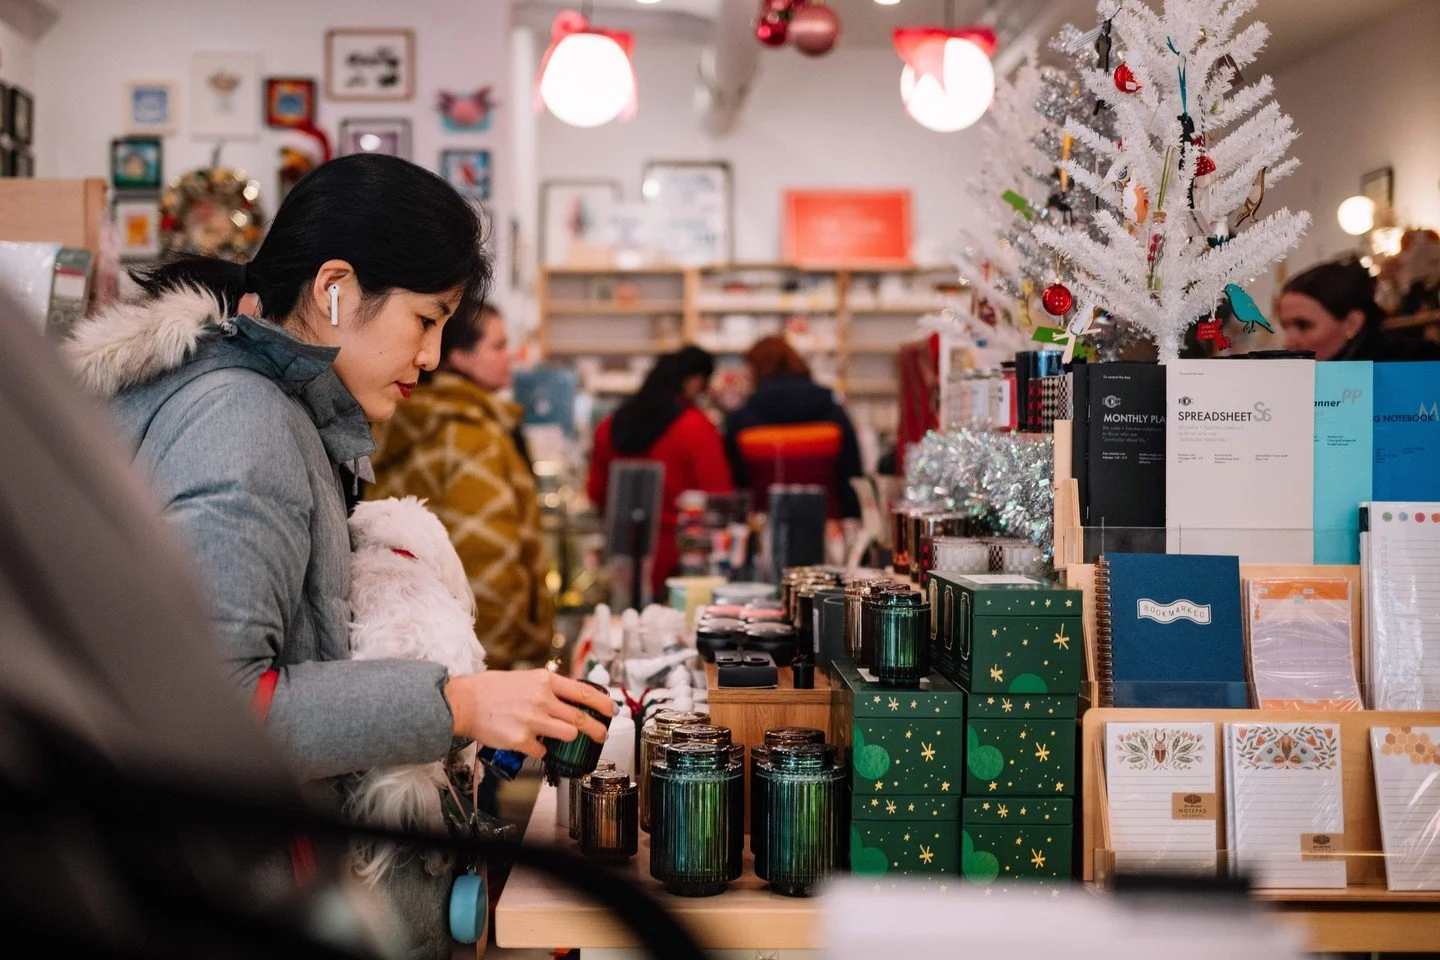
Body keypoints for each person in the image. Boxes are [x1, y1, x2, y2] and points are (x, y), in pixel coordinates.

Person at [63, 154, 612, 955]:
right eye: (426, 321)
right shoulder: (244, 422)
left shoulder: (265, 406)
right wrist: (456, 704)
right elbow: (214, 710)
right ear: (336, 289)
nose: (430, 357)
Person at [369, 301, 555, 670]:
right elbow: (487, 563)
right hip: (471, 666)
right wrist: (492, 671)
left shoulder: (416, 421)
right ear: (459, 355)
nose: (510, 357)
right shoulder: (469, 436)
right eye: (497, 347)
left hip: (407, 652)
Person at [587, 346, 733, 597]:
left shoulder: (607, 427)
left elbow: (596, 493)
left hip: (621, 559)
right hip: (682, 566)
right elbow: (719, 497)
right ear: (694, 382)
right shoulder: (695, 428)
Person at [724, 334, 863, 518]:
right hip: (826, 526)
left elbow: (735, 485)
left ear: (756, 370)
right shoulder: (833, 414)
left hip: (765, 526)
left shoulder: (743, 420)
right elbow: (851, 479)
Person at [1278, 259, 1440, 361]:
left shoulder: (1417, 365)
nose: (1288, 341)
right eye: (1285, 326)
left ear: (1352, 323)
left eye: (1303, 325)